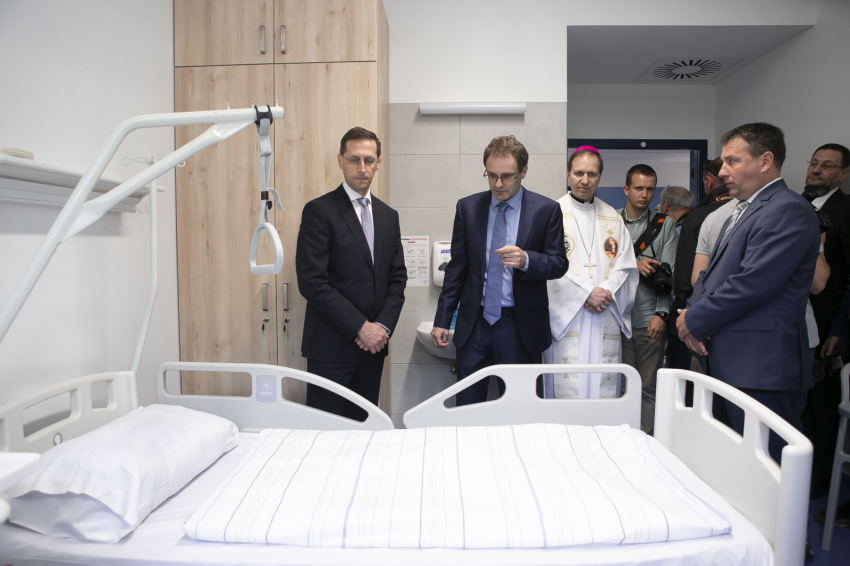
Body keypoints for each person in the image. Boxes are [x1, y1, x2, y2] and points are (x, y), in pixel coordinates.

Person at [676, 122, 820, 461]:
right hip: (731, 364)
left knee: (766, 469)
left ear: (765, 160)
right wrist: (691, 313)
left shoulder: (787, 209)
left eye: (732, 161)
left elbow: (751, 284)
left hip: (762, 369)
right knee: (734, 467)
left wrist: (693, 319)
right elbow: (710, 276)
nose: (722, 171)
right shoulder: (745, 210)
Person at [431, 136, 568, 405]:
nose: (498, 184)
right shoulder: (468, 208)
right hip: (474, 324)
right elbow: (457, 269)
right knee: (467, 407)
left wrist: (527, 260)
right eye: (491, 175)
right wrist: (442, 319)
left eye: (507, 176)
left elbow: (559, 264)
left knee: (520, 408)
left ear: (523, 172)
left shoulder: (546, 210)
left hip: (520, 325)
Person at [295, 127, 407, 419]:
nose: (362, 168)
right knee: (328, 433)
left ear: (378, 163)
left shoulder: (388, 216)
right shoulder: (319, 211)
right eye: (354, 159)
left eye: (368, 160)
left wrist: (381, 328)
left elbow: (397, 279)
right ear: (340, 161)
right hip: (331, 350)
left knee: (365, 429)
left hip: (372, 351)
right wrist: (361, 328)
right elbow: (312, 282)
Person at [544, 146, 638, 398]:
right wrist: (585, 293)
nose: (585, 180)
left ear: (599, 176)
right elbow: (546, 266)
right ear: (568, 174)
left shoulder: (612, 217)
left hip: (604, 311)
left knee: (601, 389)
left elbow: (626, 264)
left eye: (592, 174)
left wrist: (606, 292)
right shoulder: (551, 213)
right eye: (579, 173)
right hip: (568, 317)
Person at [799, 143, 850, 499]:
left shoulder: (845, 212)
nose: (816, 170)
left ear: (844, 174)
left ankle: (822, 486)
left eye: (827, 166)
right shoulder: (799, 206)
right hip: (800, 327)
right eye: (814, 163)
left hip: (829, 327)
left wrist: (838, 331)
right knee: (803, 408)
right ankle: (805, 477)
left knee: (824, 411)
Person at [618, 164, 677, 434]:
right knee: (619, 386)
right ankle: (619, 439)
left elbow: (669, 272)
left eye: (650, 189)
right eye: (639, 188)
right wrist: (634, 265)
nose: (644, 194)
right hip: (616, 318)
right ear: (626, 189)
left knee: (647, 386)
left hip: (648, 317)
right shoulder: (611, 222)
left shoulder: (664, 225)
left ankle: (645, 442)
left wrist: (662, 313)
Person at [668, 158, 731, 371]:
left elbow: (686, 277)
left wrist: (683, 318)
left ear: (708, 182)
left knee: (692, 380)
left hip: (696, 315)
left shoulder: (697, 217)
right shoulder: (751, 212)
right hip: (733, 320)